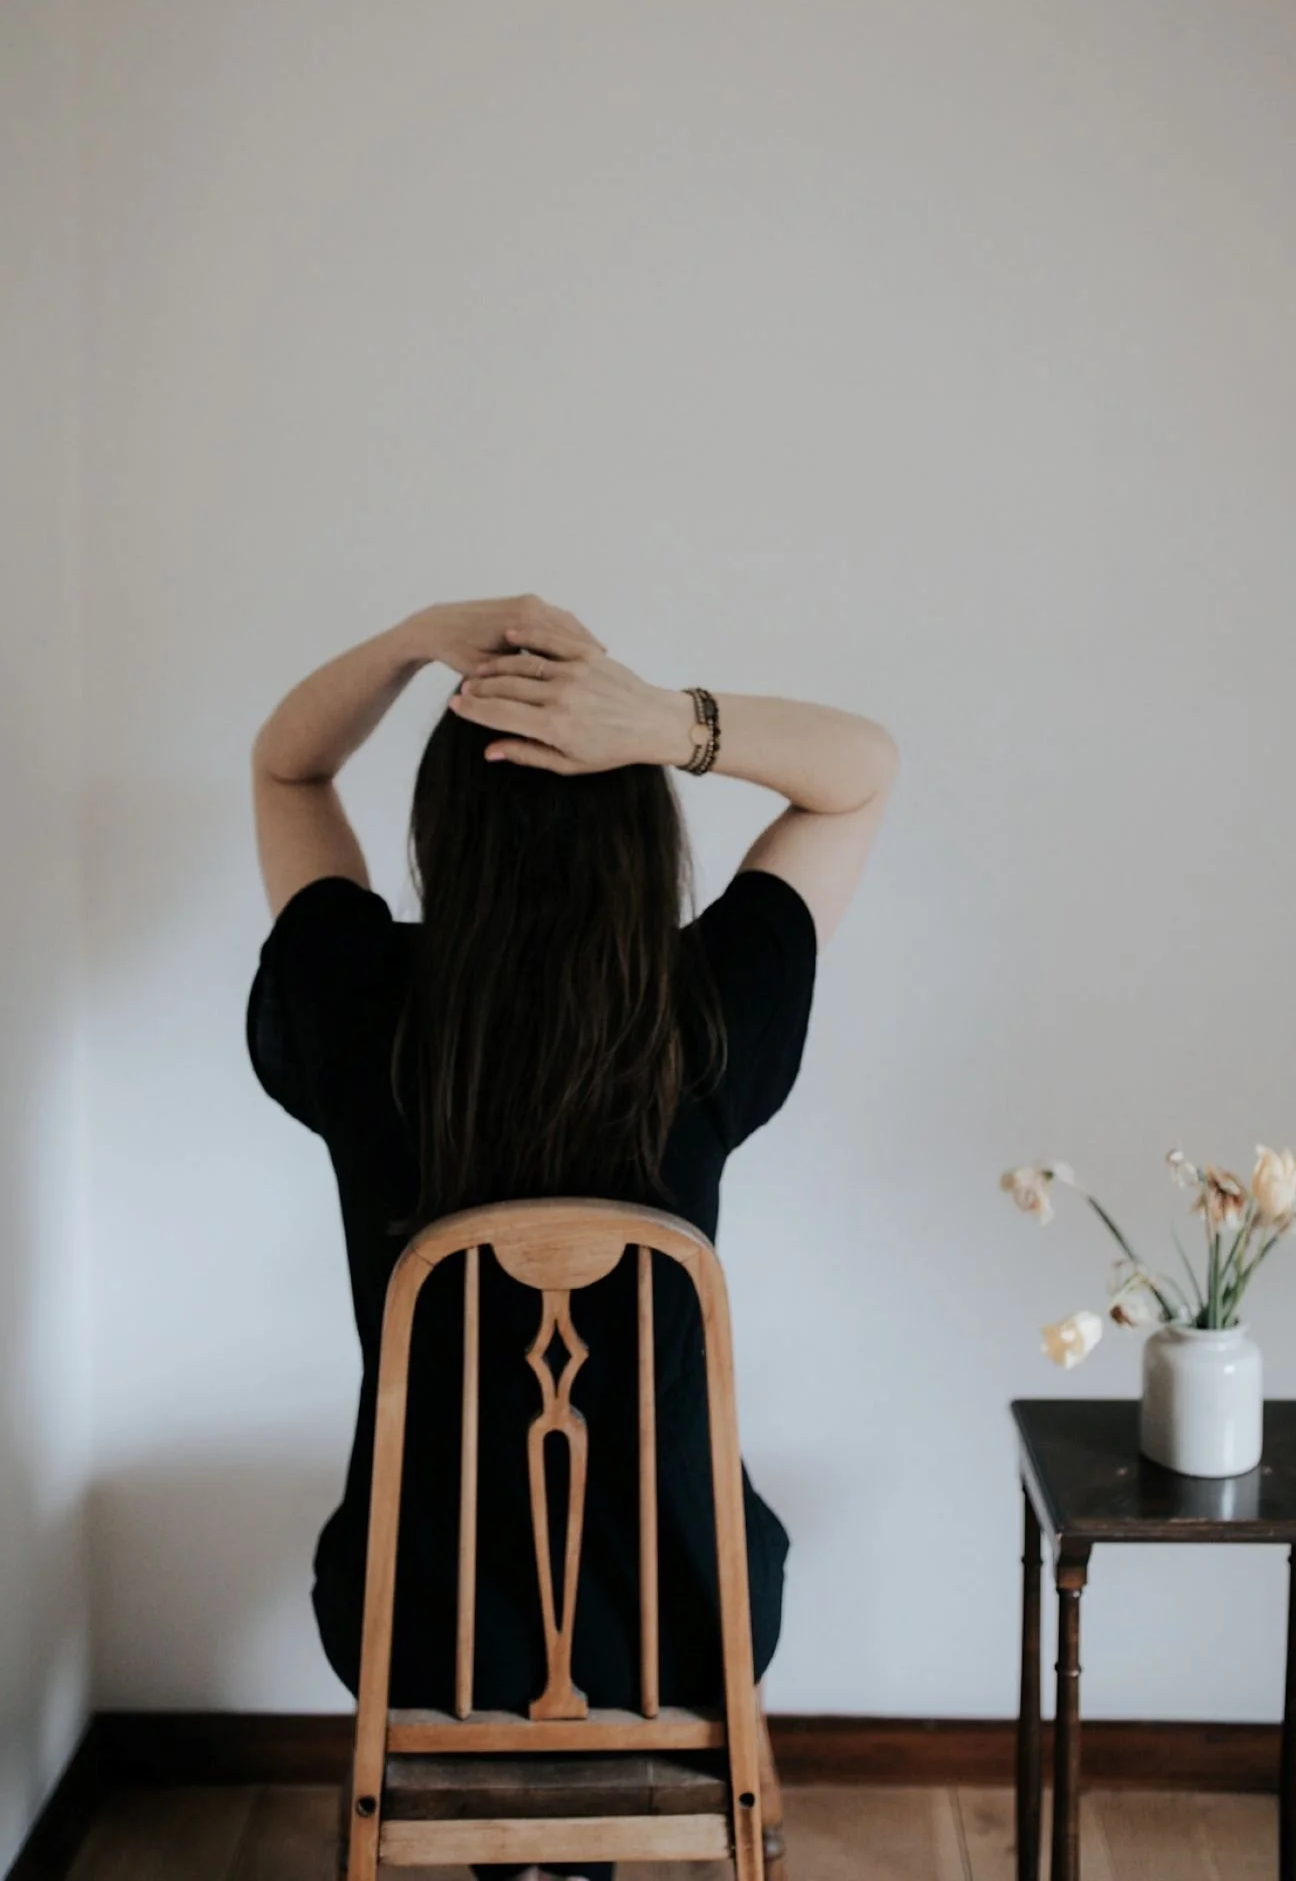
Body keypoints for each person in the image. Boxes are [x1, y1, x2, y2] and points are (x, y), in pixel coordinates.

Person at [246, 593, 897, 1881]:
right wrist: (664, 723)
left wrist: (411, 640)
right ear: (643, 822)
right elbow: (859, 776)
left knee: (393, 1536)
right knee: (706, 1526)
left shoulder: (354, 999)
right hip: (691, 1616)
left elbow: (286, 764)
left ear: (438, 829)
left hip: (413, 1622)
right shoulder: (705, 1009)